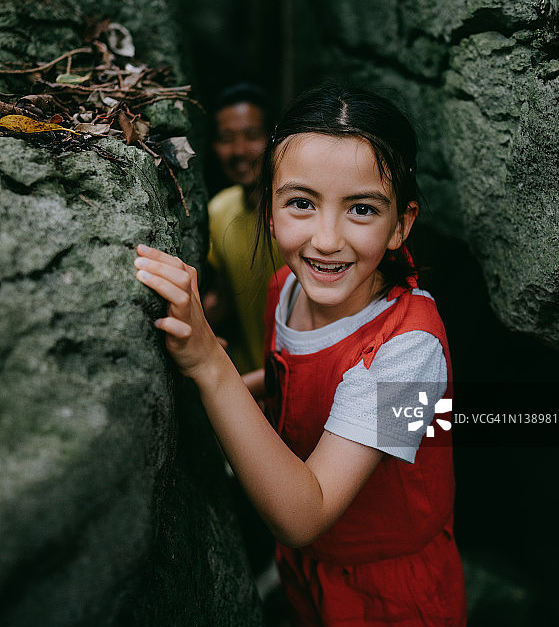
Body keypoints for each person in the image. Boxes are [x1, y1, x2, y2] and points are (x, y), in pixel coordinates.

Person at [134, 82, 467, 626]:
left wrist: (210, 366)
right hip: (308, 573)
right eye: (301, 203)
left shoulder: (411, 354)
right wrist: (219, 384)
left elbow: (303, 516)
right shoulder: (287, 288)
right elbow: (295, 379)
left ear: (401, 225)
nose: (327, 239)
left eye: (362, 208)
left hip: (390, 595)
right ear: (269, 209)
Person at [204, 82, 282, 375]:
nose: (239, 150)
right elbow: (224, 297)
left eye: (251, 136)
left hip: (306, 380)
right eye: (226, 138)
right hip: (250, 374)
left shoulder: (305, 213)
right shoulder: (218, 210)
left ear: (274, 139)